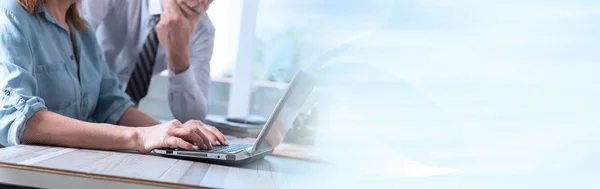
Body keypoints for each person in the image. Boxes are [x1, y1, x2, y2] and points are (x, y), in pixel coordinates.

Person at [0, 0, 227, 152]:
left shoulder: (83, 32)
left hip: (71, 166)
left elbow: (112, 103)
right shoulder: (10, 13)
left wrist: (173, 133)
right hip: (25, 174)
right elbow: (20, 118)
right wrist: (139, 136)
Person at [80, 0, 214, 122]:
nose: (202, 2)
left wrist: (178, 53)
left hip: (118, 114)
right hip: (81, 93)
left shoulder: (202, 31)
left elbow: (193, 118)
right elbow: (74, 42)